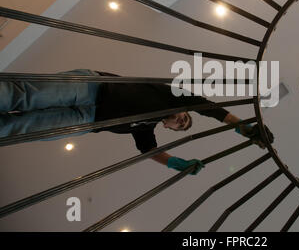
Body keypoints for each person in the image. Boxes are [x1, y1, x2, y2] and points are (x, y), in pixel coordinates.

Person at [0, 69, 274, 175]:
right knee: (24, 96)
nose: (181, 119)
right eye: (184, 117)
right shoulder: (169, 97)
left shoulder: (146, 128)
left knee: (23, 130)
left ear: (168, 128)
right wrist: (242, 126)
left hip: (87, 120)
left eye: (181, 125)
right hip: (92, 87)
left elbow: (149, 151)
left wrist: (175, 163)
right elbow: (207, 107)